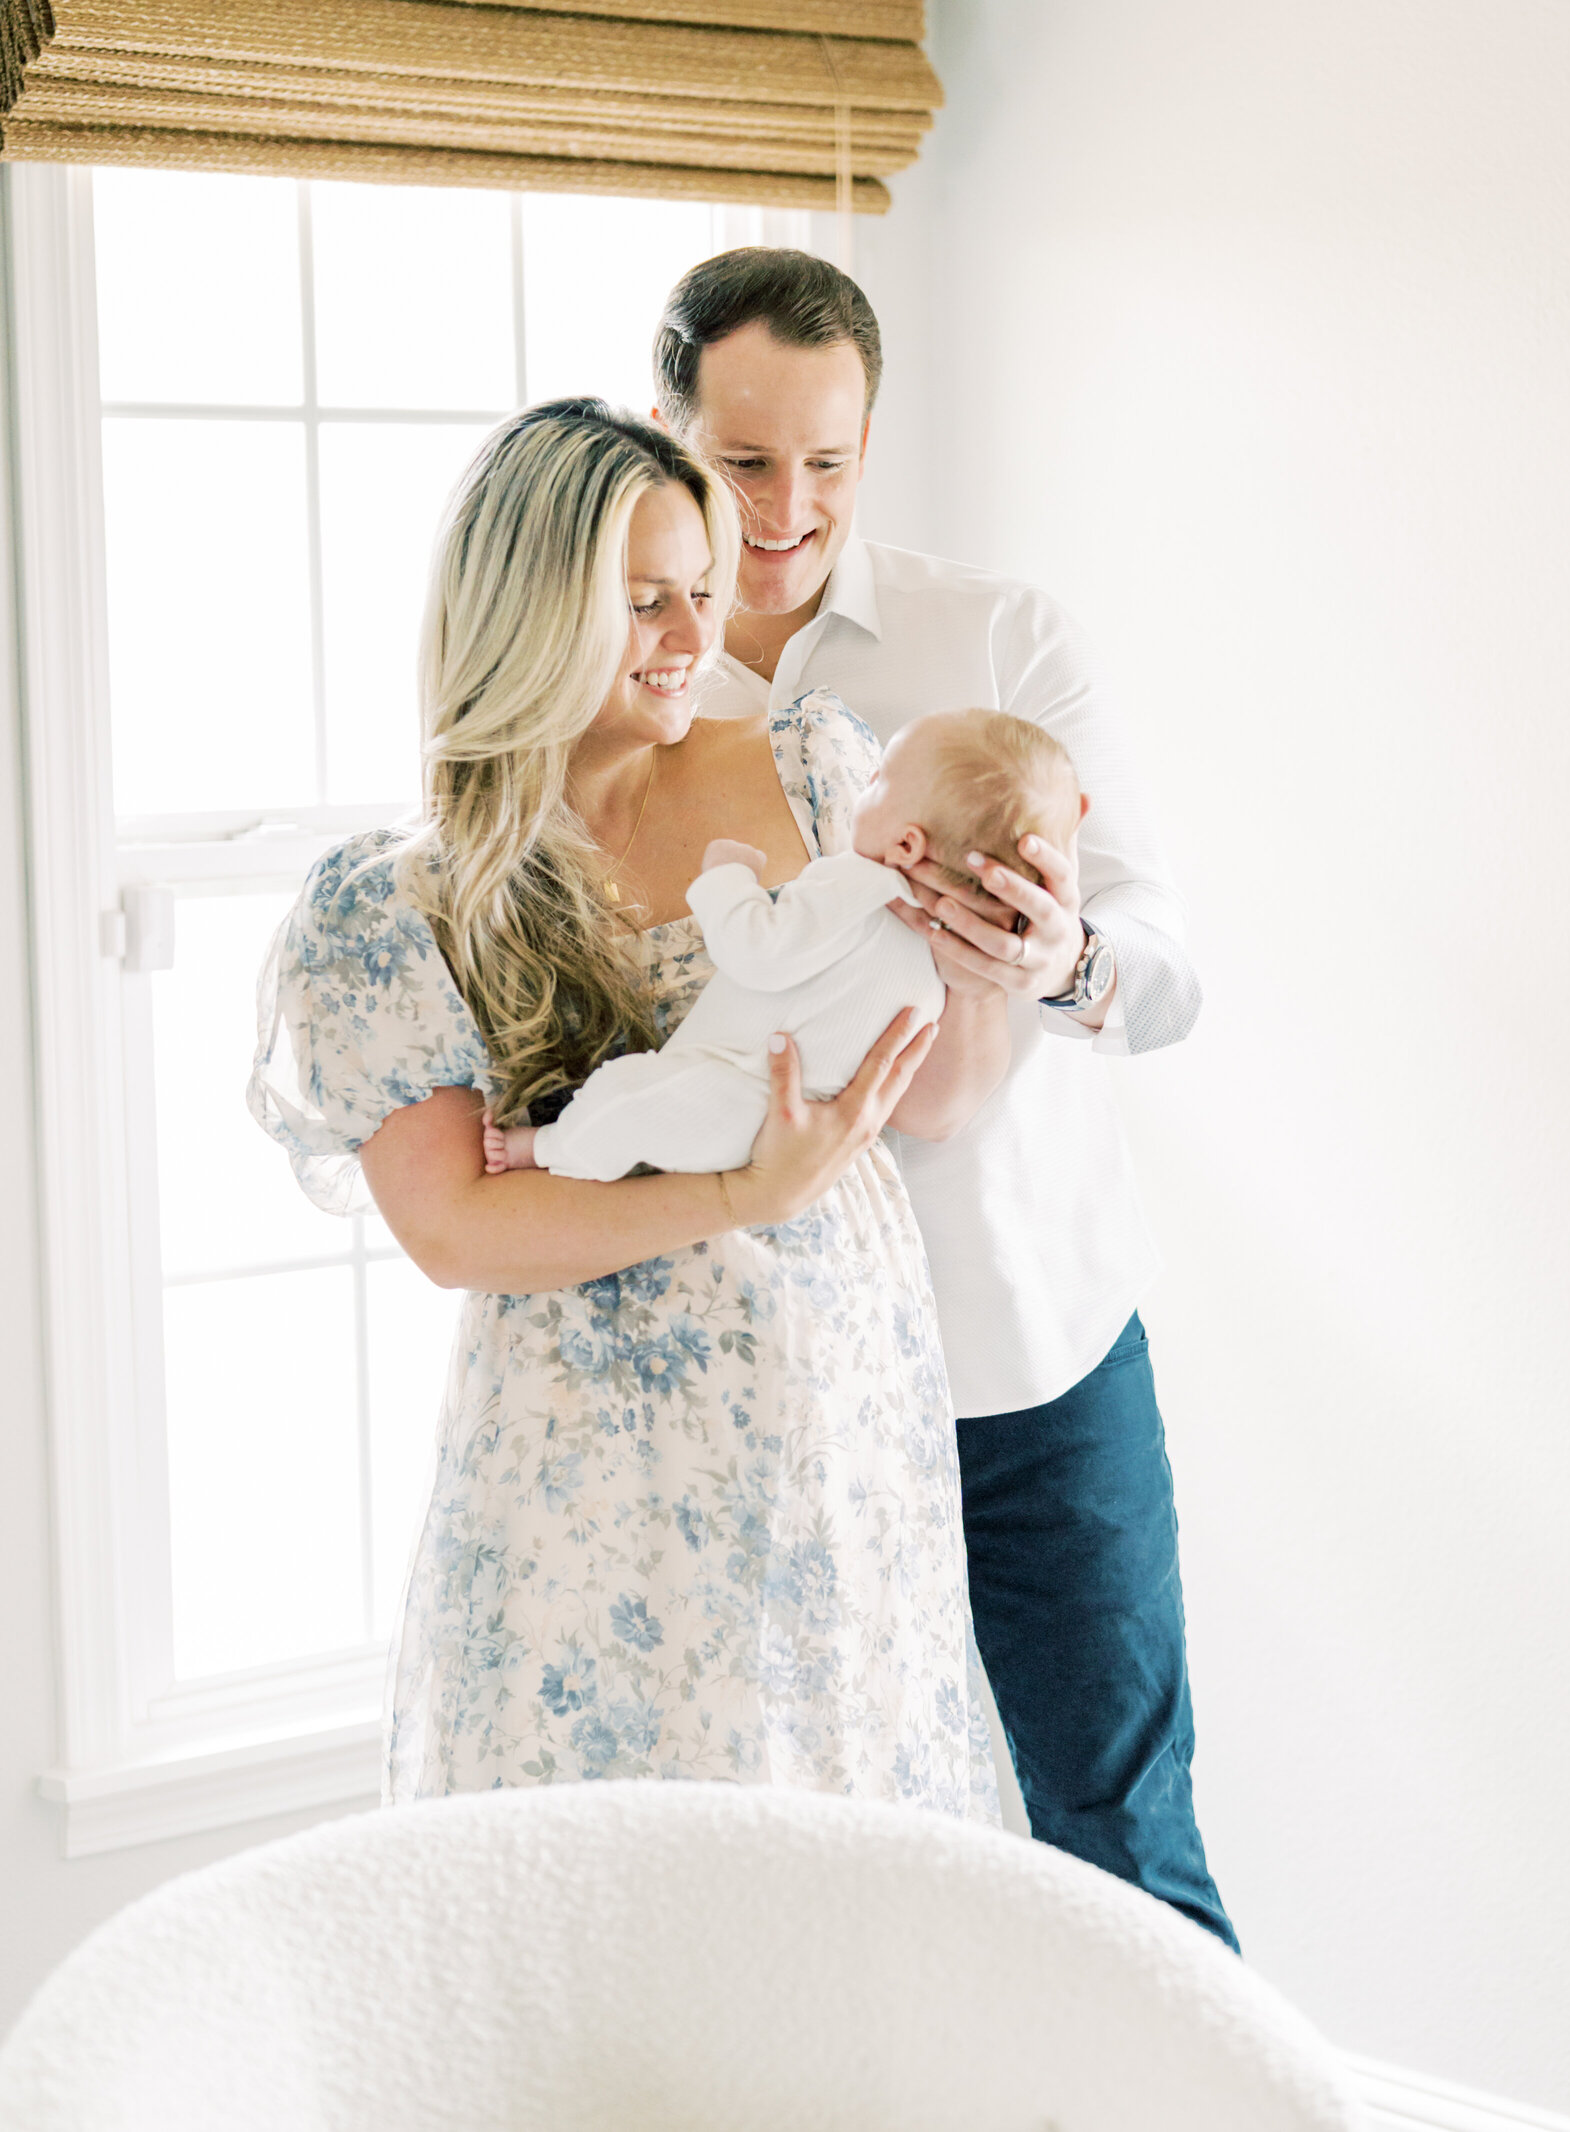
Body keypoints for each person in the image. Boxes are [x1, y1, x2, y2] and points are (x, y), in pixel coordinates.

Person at [248, 398, 1001, 1822]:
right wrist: (739, 1196)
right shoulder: (402, 900)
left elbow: (937, 1101)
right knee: (597, 1880)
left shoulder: (815, 772)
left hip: (832, 1426)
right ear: (531, 607)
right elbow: (458, 1228)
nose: (688, 637)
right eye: (642, 599)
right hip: (587, 1467)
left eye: (701, 596)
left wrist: (994, 961)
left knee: (833, 1866)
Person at [653, 250, 1238, 1949]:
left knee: (1122, 1843)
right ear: (668, 429)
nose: (787, 509)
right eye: (745, 461)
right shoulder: (623, 686)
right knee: (814, 1882)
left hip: (1033, 1357)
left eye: (828, 462)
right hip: (772, 1377)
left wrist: (1061, 958)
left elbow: (1172, 965)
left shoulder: (997, 635)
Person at [486, 708, 1080, 1184]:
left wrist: (724, 879)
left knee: (625, 1096)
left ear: (905, 843)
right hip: (796, 1129)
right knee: (639, 1110)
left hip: (738, 1085)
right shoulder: (938, 950)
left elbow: (757, 949)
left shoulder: (860, 882)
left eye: (876, 782)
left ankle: (543, 1147)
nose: (863, 785)